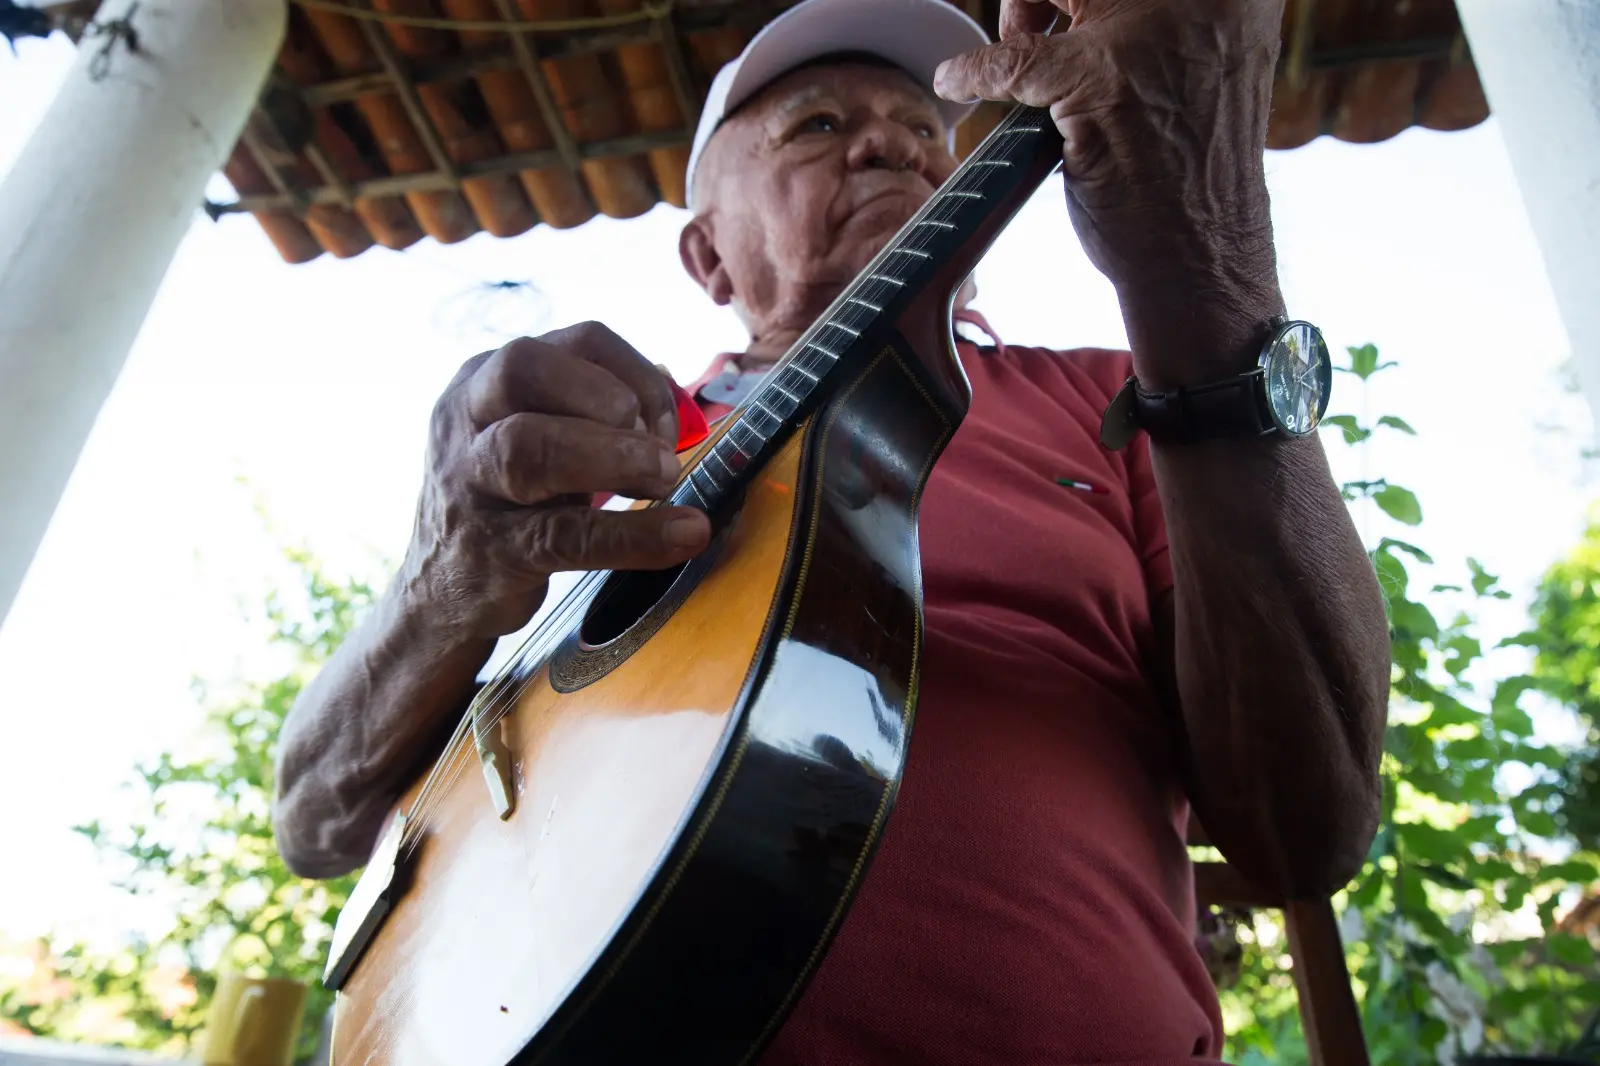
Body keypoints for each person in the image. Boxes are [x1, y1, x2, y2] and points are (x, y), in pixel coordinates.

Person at [272, 0, 1391, 1060]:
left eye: (921, 129)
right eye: (820, 126)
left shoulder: (1130, 396)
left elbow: (1309, 829)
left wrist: (1203, 276)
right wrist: (440, 581)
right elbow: (316, 821)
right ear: (706, 255)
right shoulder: (578, 454)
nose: (894, 150)